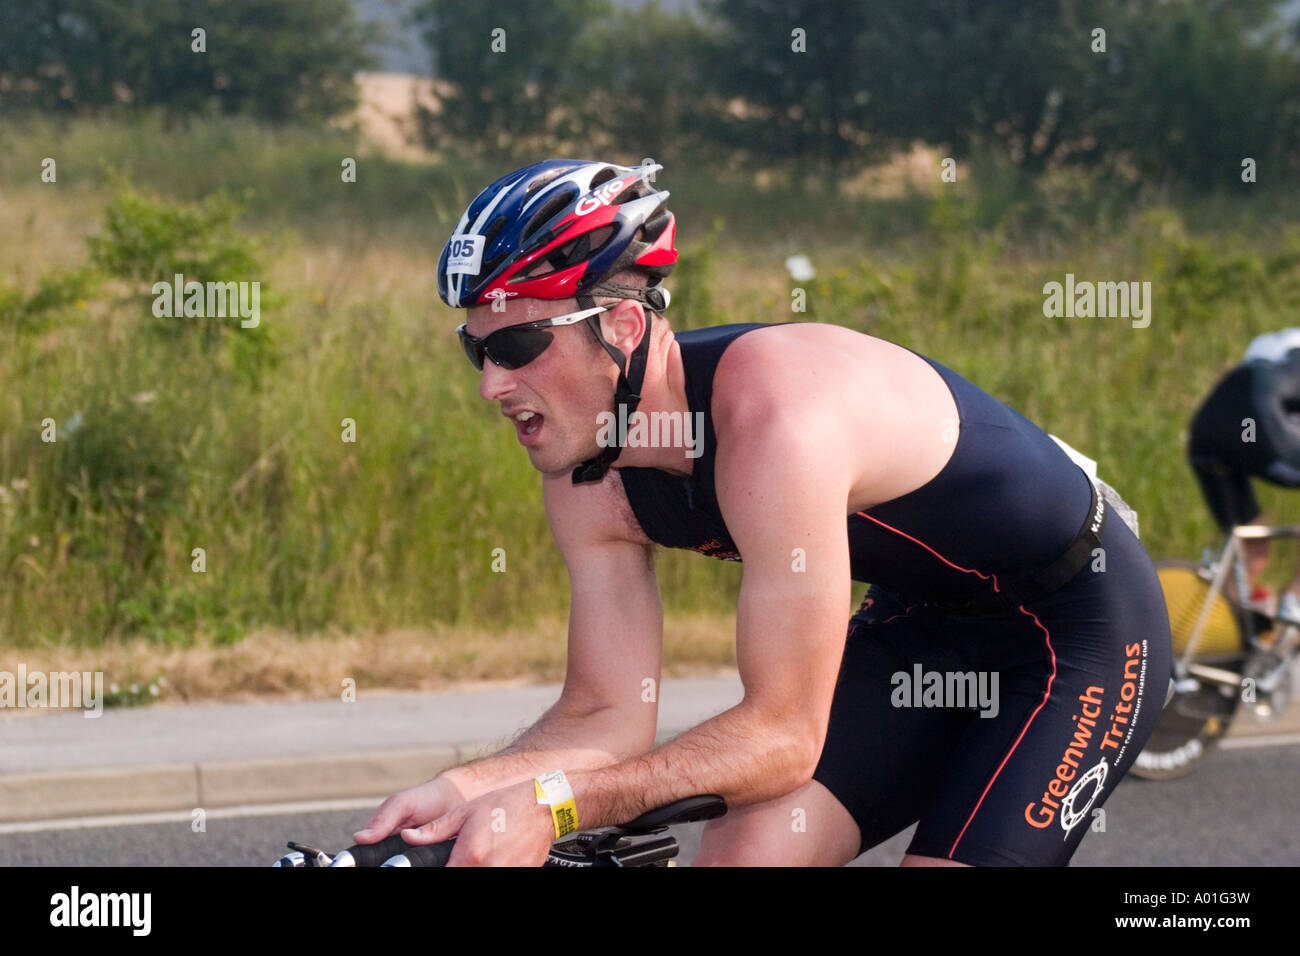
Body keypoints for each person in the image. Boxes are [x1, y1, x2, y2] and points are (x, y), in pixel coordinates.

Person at [355, 159, 1173, 866]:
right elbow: (605, 715)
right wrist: (459, 792)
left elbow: (781, 737)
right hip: (924, 622)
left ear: (623, 325)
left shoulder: (776, 420)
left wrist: (553, 807)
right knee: (746, 852)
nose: (491, 386)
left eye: (516, 347)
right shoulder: (586, 468)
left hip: (1078, 625)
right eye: (477, 347)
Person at [1188, 330, 1300, 617]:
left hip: (1206, 431)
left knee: (1253, 547)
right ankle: (1295, 602)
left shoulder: (1283, 341)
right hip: (1261, 416)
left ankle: (1224, 632)